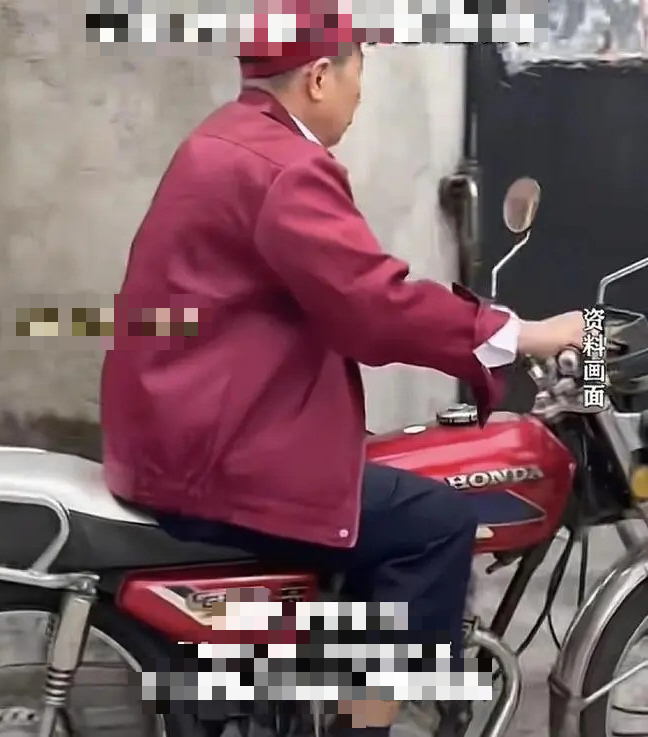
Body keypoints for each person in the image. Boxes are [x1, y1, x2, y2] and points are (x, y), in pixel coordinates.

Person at [100, 42, 584, 737]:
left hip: (180, 432)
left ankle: (333, 680)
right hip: (219, 454)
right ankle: (366, 725)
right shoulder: (287, 169)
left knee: (384, 484)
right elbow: (375, 307)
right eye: (359, 74)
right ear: (321, 77)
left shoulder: (222, 139)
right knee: (436, 523)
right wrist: (524, 333)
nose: (361, 94)